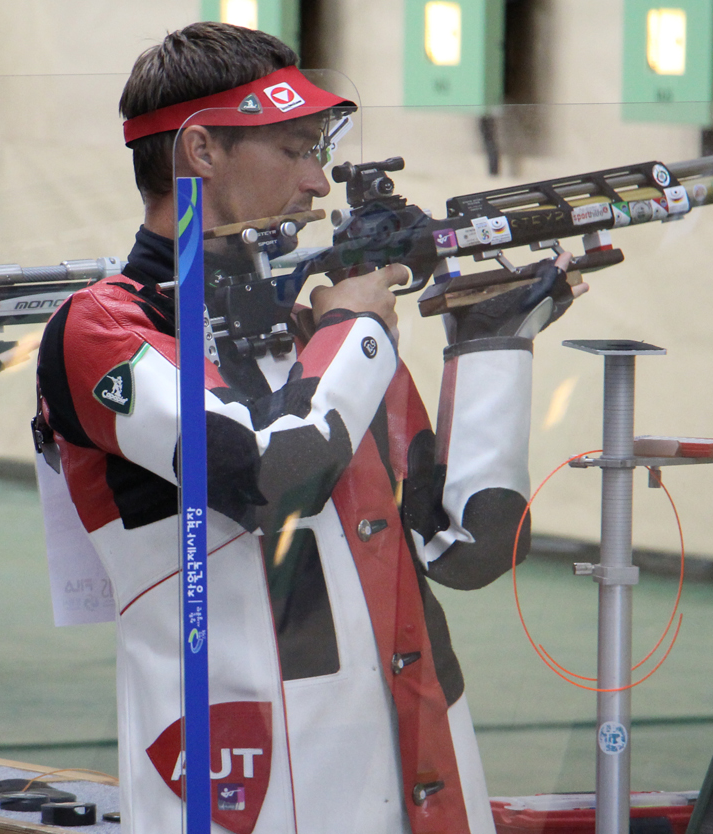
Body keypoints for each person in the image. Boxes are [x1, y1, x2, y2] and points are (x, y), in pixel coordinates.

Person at [35, 23, 580, 834]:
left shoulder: (312, 337)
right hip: (245, 781)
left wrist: (495, 341)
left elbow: (473, 547)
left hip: (414, 757)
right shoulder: (105, 327)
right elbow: (272, 477)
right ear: (201, 152)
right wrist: (359, 331)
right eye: (293, 150)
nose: (319, 182)